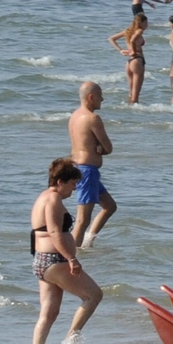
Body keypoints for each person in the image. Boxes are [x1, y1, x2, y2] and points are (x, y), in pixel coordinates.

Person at [30, 157, 103, 344]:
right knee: (94, 296)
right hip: (54, 260)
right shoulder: (53, 199)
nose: (75, 189)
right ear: (60, 182)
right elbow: (54, 232)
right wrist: (72, 258)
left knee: (49, 312)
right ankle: (70, 342)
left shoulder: (43, 197)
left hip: (41, 260)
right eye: (72, 184)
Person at [68, 82, 116, 248]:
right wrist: (100, 148)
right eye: (100, 96)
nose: (102, 99)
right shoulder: (92, 118)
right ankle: (72, 255)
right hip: (87, 170)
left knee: (110, 206)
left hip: (79, 167)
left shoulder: (74, 116)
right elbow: (108, 148)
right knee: (83, 219)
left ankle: (88, 241)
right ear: (91, 97)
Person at [108, 13, 148, 104]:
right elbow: (133, 40)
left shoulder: (128, 31)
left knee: (131, 92)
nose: (147, 25)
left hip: (129, 62)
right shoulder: (139, 31)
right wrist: (133, 50)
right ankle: (135, 114)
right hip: (137, 60)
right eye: (146, 23)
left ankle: (129, 113)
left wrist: (121, 50)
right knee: (136, 94)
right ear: (141, 23)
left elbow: (111, 38)